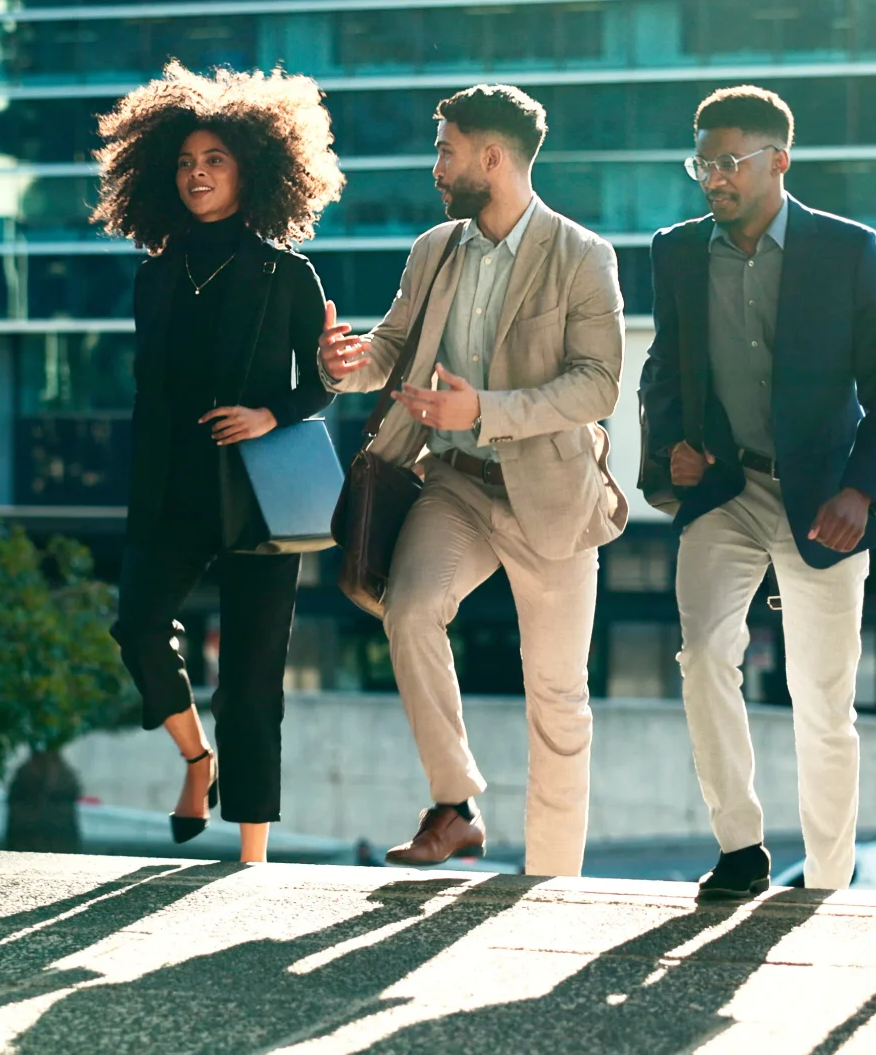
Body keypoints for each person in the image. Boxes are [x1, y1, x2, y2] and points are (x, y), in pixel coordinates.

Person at [319, 84, 626, 878]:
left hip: (553, 500)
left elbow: (597, 386)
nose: (436, 165)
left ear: (493, 158)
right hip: (454, 485)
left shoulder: (583, 256)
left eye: (446, 149)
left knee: (557, 703)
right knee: (412, 608)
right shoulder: (435, 249)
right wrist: (346, 367)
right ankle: (454, 805)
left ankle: (553, 883)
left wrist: (483, 410)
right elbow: (393, 348)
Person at [639, 85, 876, 899]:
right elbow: (666, 368)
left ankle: (829, 881)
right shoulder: (678, 250)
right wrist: (670, 459)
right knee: (702, 659)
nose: (713, 179)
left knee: (823, 702)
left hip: (827, 502)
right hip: (725, 492)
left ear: (778, 160)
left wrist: (861, 492)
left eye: (729, 162)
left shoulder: (849, 251)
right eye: (703, 163)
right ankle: (741, 848)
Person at [95, 61, 345, 864]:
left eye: (215, 161)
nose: (197, 174)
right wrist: (138, 504)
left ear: (254, 171)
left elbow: (321, 388)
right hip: (173, 490)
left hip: (262, 495)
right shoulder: (155, 275)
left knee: (251, 680)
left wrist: (273, 411)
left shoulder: (287, 273)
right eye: (185, 163)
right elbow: (147, 397)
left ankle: (253, 855)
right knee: (137, 626)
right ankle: (195, 761)